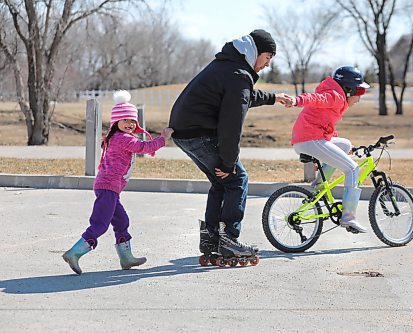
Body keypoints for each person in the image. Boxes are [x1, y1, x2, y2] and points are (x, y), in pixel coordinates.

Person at [169, 29, 292, 259]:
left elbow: (244, 96)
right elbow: (231, 125)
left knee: (221, 182)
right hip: (199, 132)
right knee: (236, 178)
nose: (267, 65)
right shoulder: (238, 74)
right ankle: (229, 240)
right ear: (256, 52)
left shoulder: (230, 66)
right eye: (267, 58)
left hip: (184, 131)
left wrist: (274, 98)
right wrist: (228, 162)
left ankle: (211, 239)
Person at [62, 90, 174, 274]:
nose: (130, 124)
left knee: (122, 221)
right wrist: (163, 138)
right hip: (108, 187)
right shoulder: (122, 138)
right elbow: (144, 147)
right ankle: (74, 253)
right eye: (125, 121)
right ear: (117, 122)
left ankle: (126, 258)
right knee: (100, 224)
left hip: (110, 188)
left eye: (133, 121)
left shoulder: (117, 137)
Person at [288, 66, 370, 233]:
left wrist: (344, 149)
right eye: (360, 91)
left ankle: (319, 188)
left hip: (309, 137)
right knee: (353, 169)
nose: (360, 97)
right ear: (349, 89)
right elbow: (315, 98)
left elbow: (326, 126)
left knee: (345, 144)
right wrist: (297, 100)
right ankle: (348, 218)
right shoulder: (335, 97)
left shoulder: (337, 96)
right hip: (310, 139)